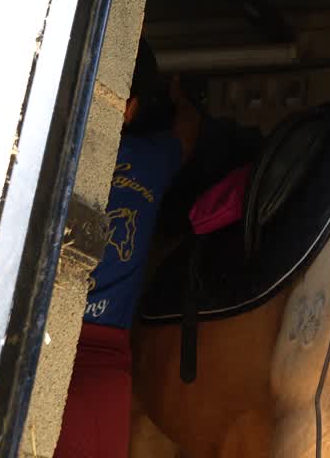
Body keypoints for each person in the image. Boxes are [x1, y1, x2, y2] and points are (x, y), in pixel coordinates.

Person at [54, 40, 200, 458]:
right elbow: (187, 133)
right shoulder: (150, 160)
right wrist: (184, 101)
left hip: (23, 353)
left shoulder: (30, 161)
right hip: (101, 366)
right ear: (130, 108)